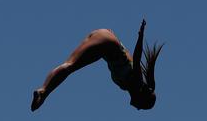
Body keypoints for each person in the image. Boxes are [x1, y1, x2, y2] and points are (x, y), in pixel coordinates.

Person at [31, 19, 162, 112]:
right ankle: (43, 91)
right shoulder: (136, 83)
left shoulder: (129, 86)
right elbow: (137, 57)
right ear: (141, 98)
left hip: (105, 44)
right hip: (107, 44)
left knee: (71, 66)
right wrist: (140, 36)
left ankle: (44, 92)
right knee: (70, 65)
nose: (138, 109)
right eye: (141, 107)